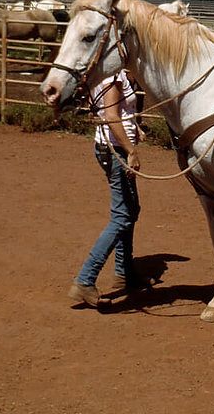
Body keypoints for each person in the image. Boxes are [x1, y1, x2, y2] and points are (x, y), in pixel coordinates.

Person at [68, 69, 142, 307]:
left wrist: (134, 128)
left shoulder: (106, 74)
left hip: (111, 146)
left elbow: (110, 110)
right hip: (116, 151)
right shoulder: (113, 77)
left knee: (131, 210)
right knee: (122, 216)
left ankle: (123, 272)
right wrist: (130, 150)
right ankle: (85, 280)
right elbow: (111, 116)